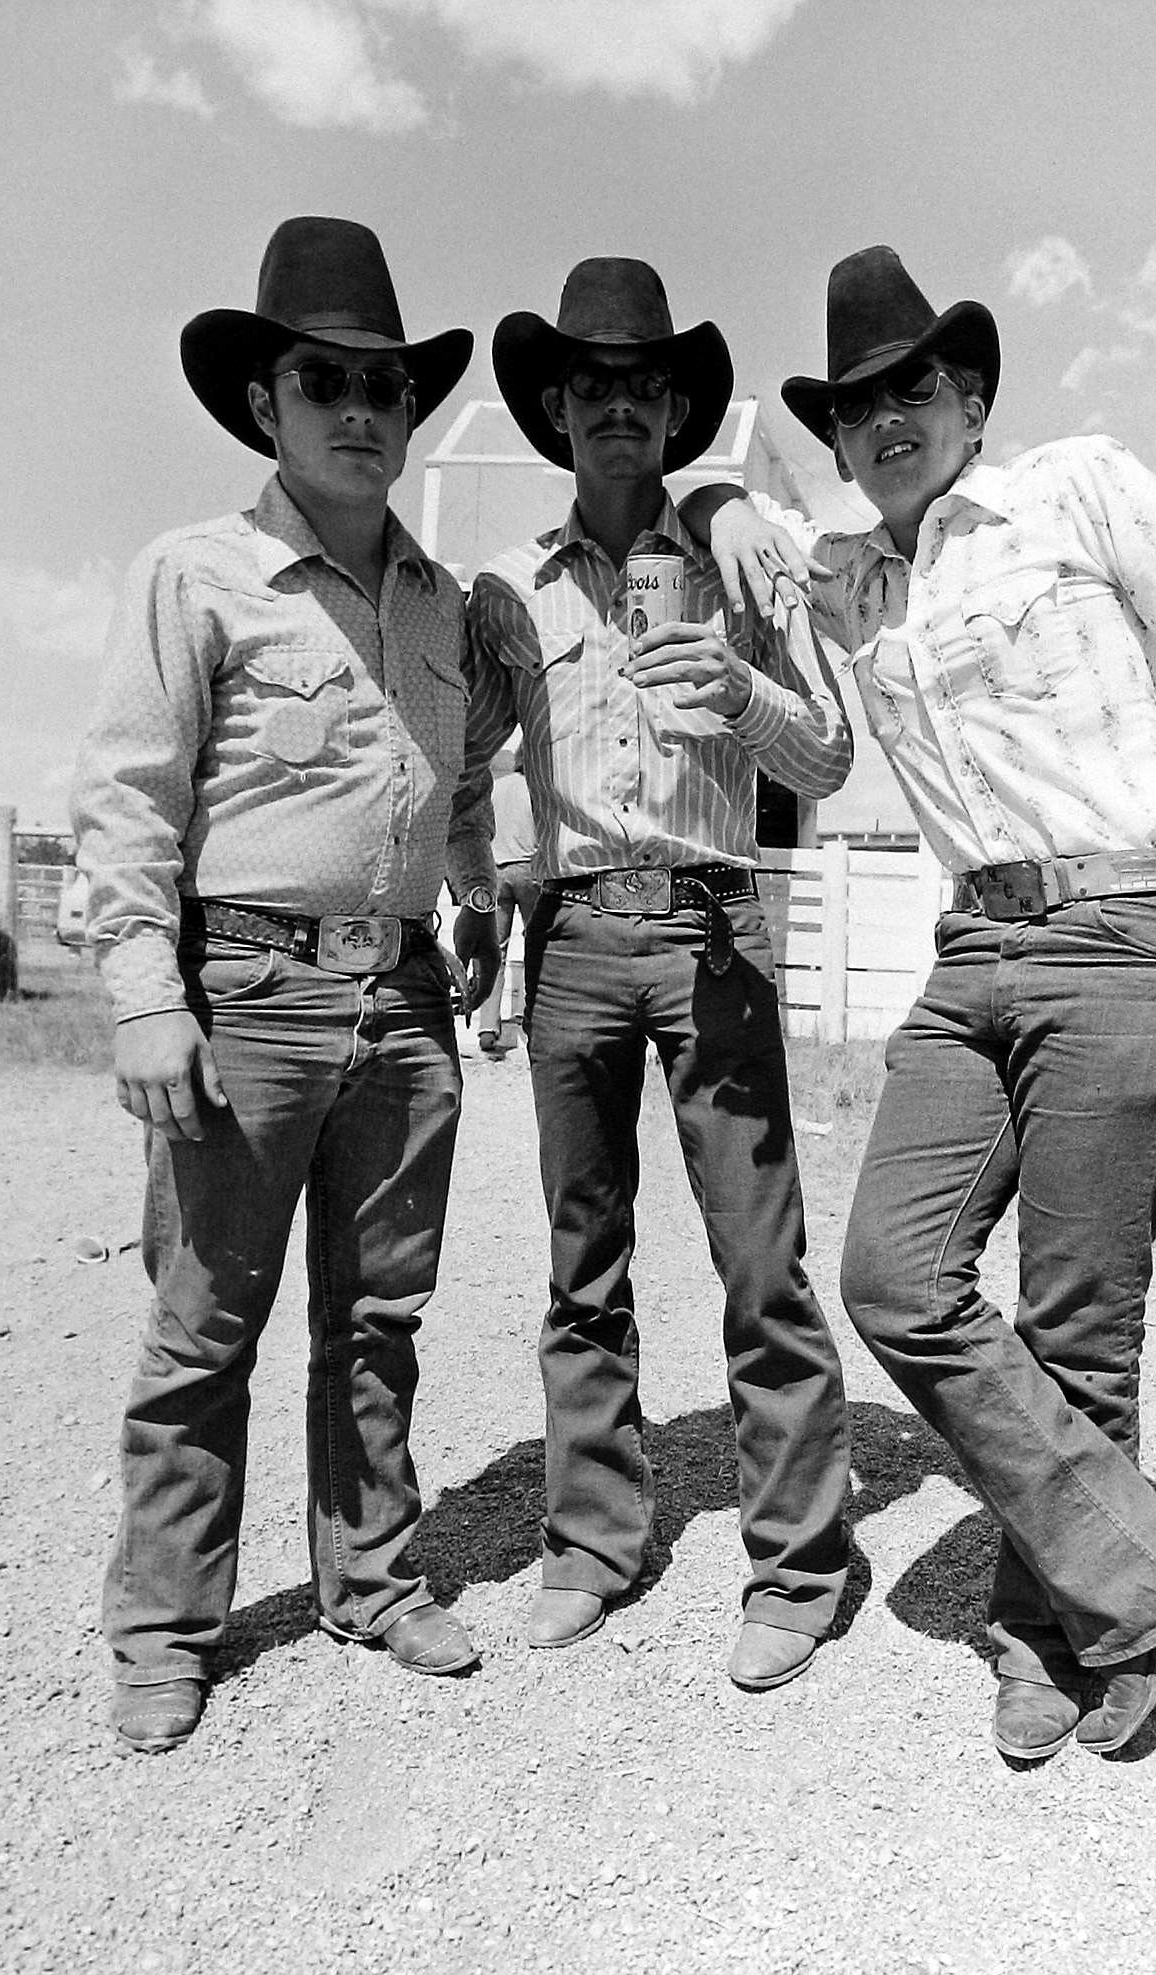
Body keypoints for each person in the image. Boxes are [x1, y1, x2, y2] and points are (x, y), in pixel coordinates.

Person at [697, 247, 1156, 1761]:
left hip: (1130, 924)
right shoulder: (847, 582)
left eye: (915, 386)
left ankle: (1052, 1632)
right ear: (838, 438)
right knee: (893, 1275)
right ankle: (1139, 1577)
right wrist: (719, 520)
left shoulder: (1070, 491)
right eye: (857, 404)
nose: (887, 416)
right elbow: (818, 749)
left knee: (1077, 1313)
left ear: (968, 396)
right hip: (976, 947)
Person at [71, 218, 503, 1754]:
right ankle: (168, 1630)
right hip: (245, 992)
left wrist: (477, 897)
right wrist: (141, 992)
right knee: (205, 1325)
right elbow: (127, 796)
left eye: (389, 383)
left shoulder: (447, 606)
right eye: (326, 380)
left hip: (401, 1004)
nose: (364, 410)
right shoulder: (197, 576)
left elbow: (458, 781)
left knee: (379, 1315)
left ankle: (371, 1579)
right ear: (265, 402)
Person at [453, 257, 854, 1691]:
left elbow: (827, 757)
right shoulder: (505, 591)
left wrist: (740, 689)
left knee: (759, 1257)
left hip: (707, 927)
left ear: (678, 407)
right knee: (582, 1261)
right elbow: (464, 751)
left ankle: (800, 1564)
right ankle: (591, 1542)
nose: (618, 408)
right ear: (555, 409)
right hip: (569, 937)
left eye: (644, 386)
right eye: (592, 386)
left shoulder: (738, 566)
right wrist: (476, 893)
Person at [471, 745, 540, 1056]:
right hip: (529, 869)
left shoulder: (497, 788)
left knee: (492, 951)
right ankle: (529, 1019)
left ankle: (488, 1025)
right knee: (535, 947)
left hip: (496, 868)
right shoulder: (537, 789)